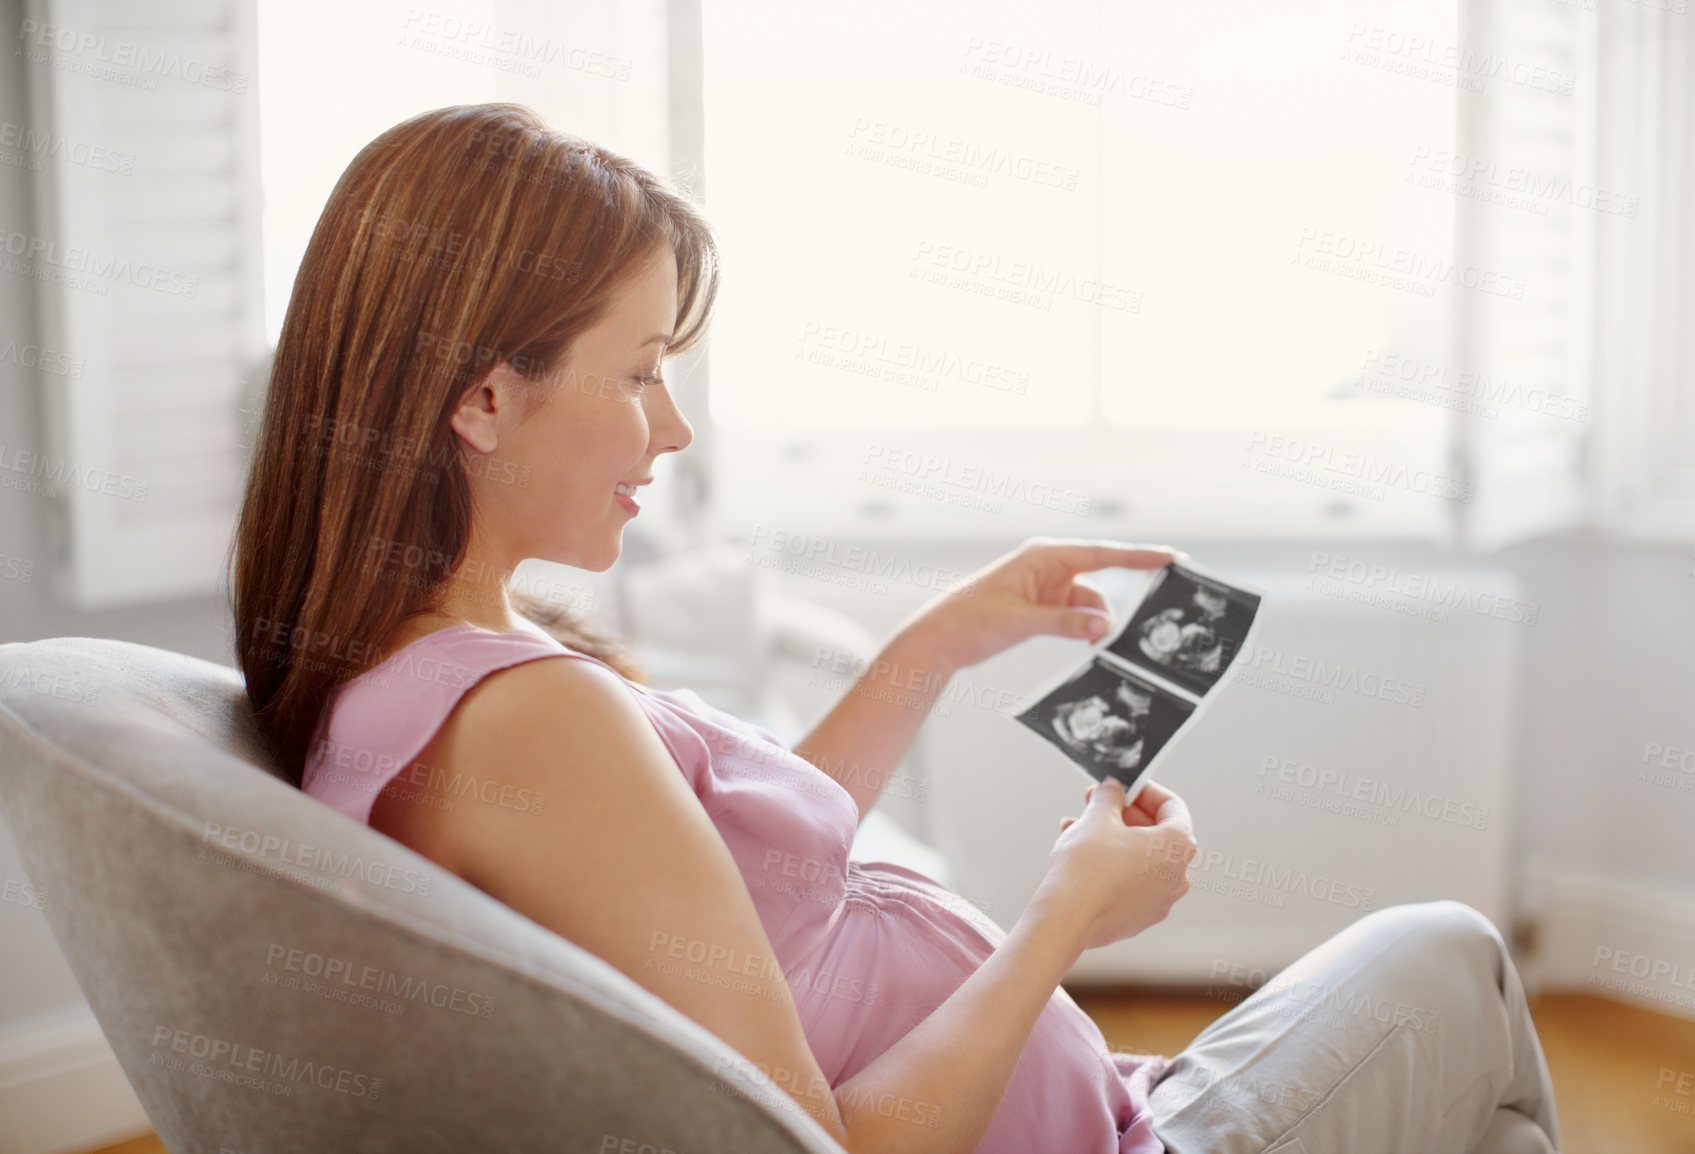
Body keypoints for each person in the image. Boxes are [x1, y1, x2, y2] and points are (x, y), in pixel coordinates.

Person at [230, 103, 1561, 1154]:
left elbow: (741, 886)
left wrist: (933, 642)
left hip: (1096, 1103)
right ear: (482, 399)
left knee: (1476, 1113)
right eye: (640, 372)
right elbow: (820, 1143)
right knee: (1455, 952)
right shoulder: (528, 713)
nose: (673, 427)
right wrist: (1066, 916)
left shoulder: (420, 678)